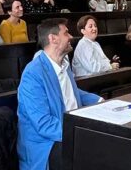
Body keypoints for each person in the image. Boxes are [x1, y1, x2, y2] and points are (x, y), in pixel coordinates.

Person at [17, 18, 101, 170]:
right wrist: (78, 132)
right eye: (66, 33)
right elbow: (44, 124)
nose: (71, 37)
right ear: (53, 39)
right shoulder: (33, 74)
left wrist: (100, 101)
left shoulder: (63, 64)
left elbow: (71, 92)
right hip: (46, 144)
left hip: (66, 131)